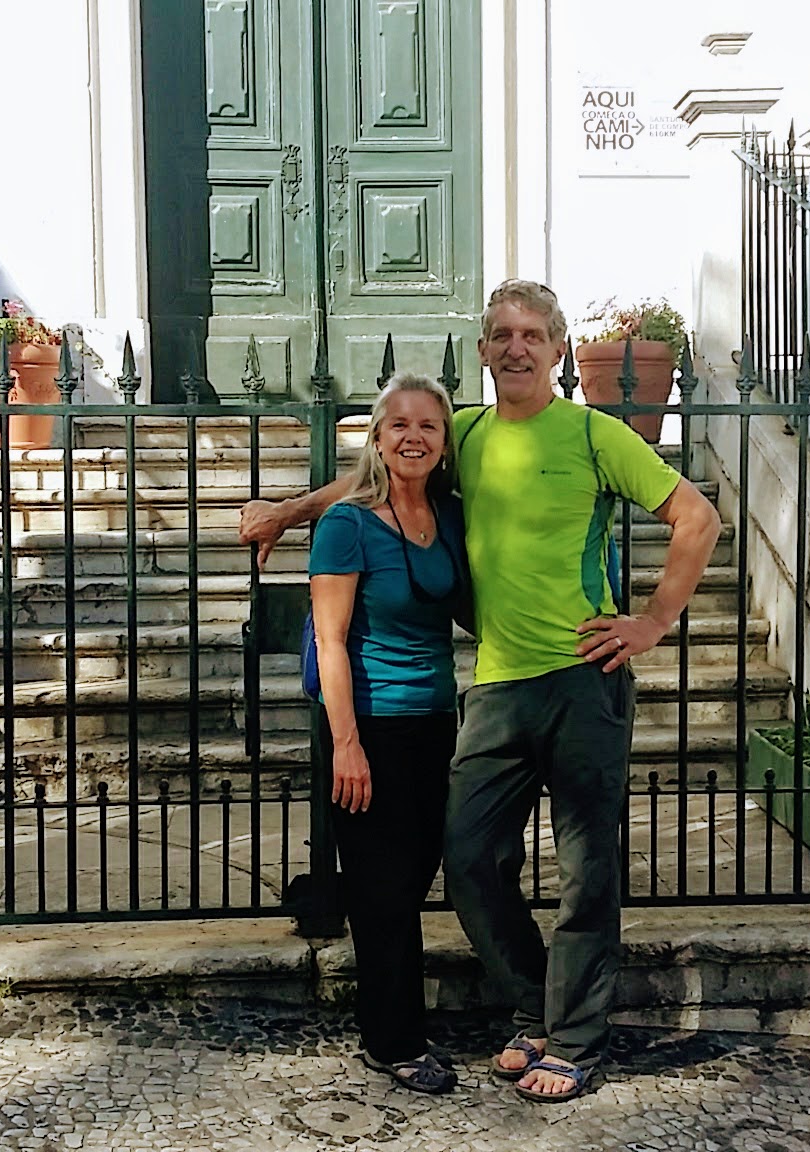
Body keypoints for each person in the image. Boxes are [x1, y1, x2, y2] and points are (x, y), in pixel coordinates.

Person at [241, 280, 722, 1103]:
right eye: (501, 333)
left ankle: (572, 1037)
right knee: (467, 861)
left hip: (583, 678)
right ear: (483, 350)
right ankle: (537, 1006)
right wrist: (290, 511)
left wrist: (652, 623)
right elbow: (386, 472)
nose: (516, 346)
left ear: (560, 346)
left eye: (533, 333)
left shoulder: (594, 434)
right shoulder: (463, 432)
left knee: (585, 869)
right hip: (497, 682)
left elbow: (696, 515)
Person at [308, 373, 469, 1096]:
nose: (413, 436)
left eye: (428, 426)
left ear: (444, 441)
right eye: (398, 424)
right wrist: (346, 744)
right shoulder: (348, 523)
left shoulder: (448, 515)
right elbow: (331, 640)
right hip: (366, 725)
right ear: (376, 438)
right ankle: (392, 1040)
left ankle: (400, 1020)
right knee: (382, 889)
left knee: (415, 873)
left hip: (434, 720)